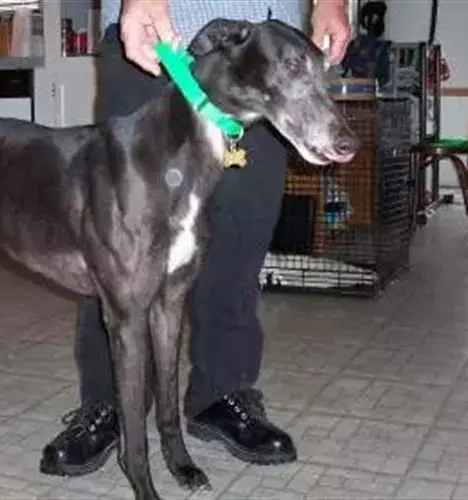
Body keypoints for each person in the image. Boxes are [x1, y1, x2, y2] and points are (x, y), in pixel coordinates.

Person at [40, 0, 352, 475]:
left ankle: (221, 393)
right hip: (151, 40)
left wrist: (332, 2)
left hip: (268, 56)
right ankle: (108, 401)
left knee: (240, 239)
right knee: (116, 241)